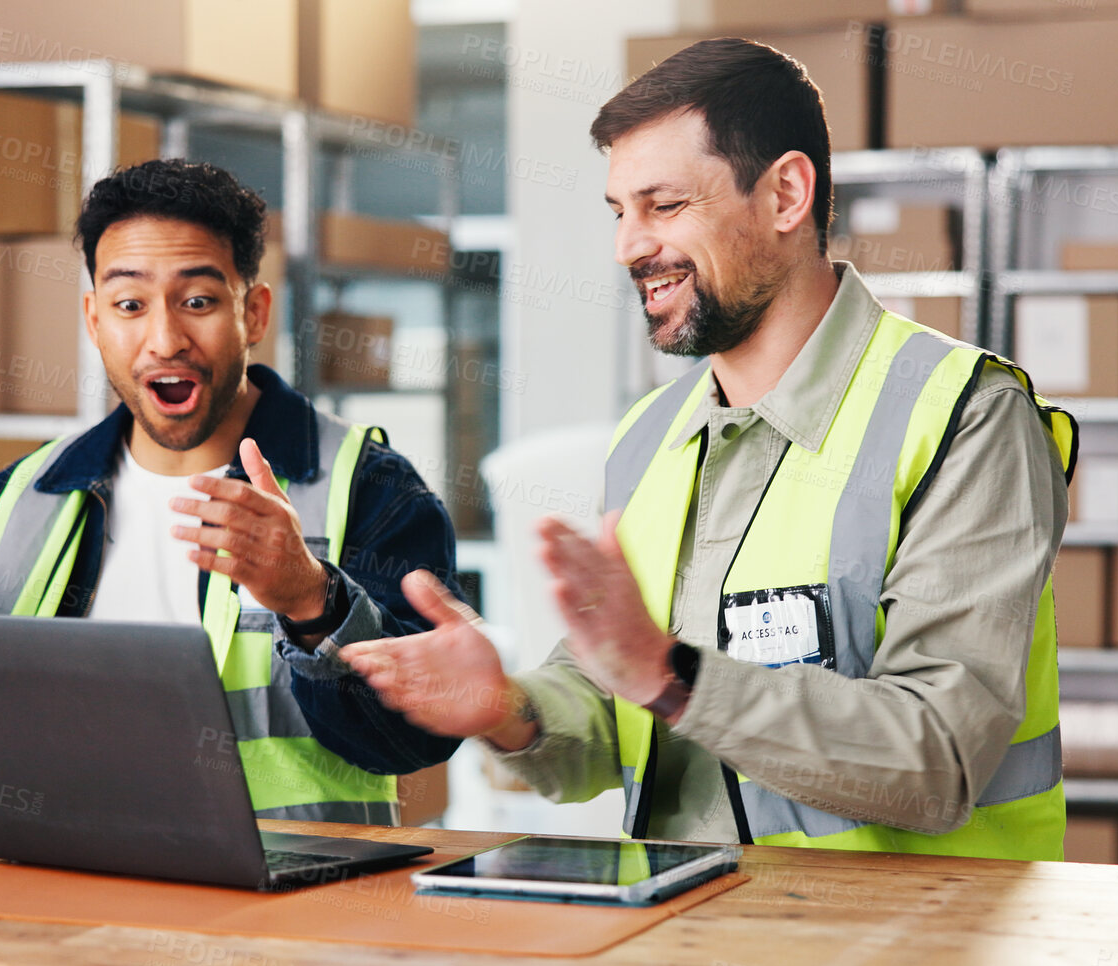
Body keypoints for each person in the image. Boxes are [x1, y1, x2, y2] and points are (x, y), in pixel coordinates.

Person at [342, 38, 1076, 860]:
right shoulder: (650, 436)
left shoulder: (965, 418)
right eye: (619, 212)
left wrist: (669, 675)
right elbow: (611, 697)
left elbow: (937, 757)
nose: (627, 247)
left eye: (663, 205)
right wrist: (508, 709)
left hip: (908, 965)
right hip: (683, 944)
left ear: (785, 195)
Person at [0, 159, 461, 828]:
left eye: (197, 300)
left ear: (252, 312)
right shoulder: (14, 504)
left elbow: (416, 735)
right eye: (129, 304)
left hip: (287, 916)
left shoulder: (369, 490)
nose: (164, 339)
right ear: (93, 318)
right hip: (58, 902)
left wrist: (312, 600)